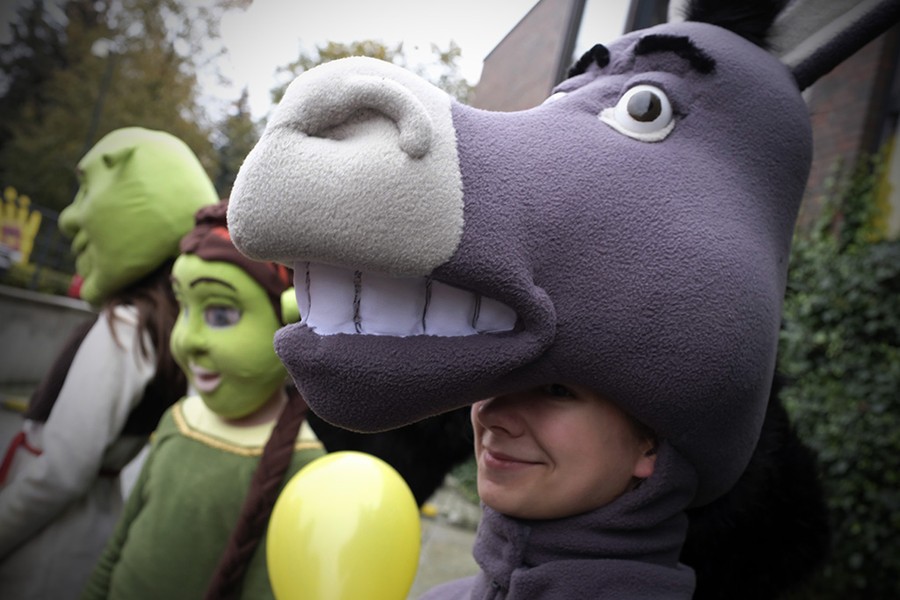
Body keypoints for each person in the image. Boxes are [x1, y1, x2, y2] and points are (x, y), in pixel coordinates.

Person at [0, 127, 218, 600]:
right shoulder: (165, 325)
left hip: (50, 546)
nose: (72, 218)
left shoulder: (127, 325)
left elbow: (61, 469)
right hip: (87, 529)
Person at [81, 201, 325, 600]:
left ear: (290, 321)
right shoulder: (176, 419)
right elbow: (116, 549)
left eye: (221, 314)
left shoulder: (304, 469)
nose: (187, 340)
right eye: (184, 307)